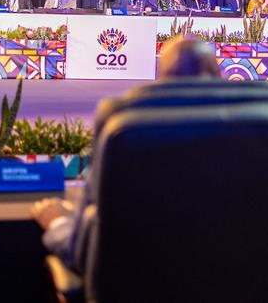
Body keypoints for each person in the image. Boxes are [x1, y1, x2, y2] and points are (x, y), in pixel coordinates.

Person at [31, 35, 222, 275]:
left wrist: (57, 222)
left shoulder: (121, 118)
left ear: (161, 77)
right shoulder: (266, 127)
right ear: (219, 75)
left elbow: (78, 251)